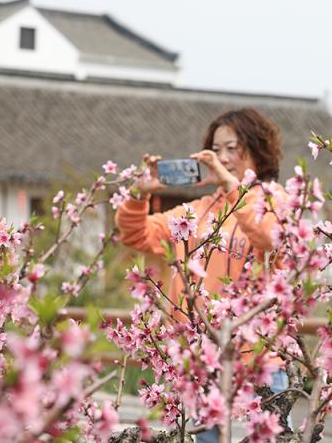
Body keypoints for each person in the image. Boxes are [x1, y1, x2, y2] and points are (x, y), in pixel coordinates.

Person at [115, 107, 286, 443]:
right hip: (202, 363)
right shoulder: (198, 211)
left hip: (258, 361)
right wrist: (140, 195)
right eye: (216, 149)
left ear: (258, 149)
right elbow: (137, 235)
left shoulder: (274, 200)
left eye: (232, 148)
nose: (221, 157)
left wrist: (231, 185)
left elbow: (269, 237)